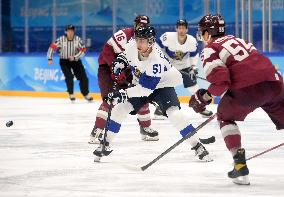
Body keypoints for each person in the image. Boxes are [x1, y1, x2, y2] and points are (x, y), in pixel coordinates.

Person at [93, 25, 213, 162]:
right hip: (142, 83)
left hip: (162, 85)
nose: (138, 43)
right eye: (137, 39)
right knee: (120, 109)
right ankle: (105, 143)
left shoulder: (156, 61)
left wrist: (122, 94)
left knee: (174, 114)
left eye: (142, 40)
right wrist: (120, 61)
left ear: (150, 42)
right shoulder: (132, 44)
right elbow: (126, 55)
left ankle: (197, 145)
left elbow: (145, 90)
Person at [189, 14, 284, 185]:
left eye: (202, 32)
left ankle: (239, 164)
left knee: (225, 116)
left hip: (249, 89)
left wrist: (203, 98)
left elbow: (221, 82)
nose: (202, 35)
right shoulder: (239, 39)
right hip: (275, 83)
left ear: (208, 33)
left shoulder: (210, 49)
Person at [88, 15, 159, 144]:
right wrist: (114, 69)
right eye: (139, 24)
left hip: (128, 71)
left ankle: (145, 128)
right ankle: (97, 130)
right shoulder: (124, 35)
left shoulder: (147, 40)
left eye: (144, 25)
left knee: (141, 95)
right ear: (135, 24)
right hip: (108, 68)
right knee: (110, 99)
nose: (141, 27)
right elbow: (107, 52)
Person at [154, 19, 213, 119]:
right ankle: (160, 109)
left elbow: (194, 56)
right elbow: (156, 46)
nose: (181, 30)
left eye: (183, 28)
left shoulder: (192, 41)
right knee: (164, 87)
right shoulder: (168, 37)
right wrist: (161, 60)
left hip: (184, 67)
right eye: (179, 28)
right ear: (176, 29)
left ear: (186, 29)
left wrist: (193, 67)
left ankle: (201, 107)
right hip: (168, 67)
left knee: (193, 87)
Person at [47, 25, 93, 103]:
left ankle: (86, 94)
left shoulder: (78, 39)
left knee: (84, 77)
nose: (70, 32)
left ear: (74, 31)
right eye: (68, 30)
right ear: (66, 31)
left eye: (72, 30)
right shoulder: (61, 40)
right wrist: (50, 58)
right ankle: (71, 94)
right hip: (64, 61)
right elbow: (52, 47)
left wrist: (75, 57)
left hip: (75, 61)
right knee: (69, 76)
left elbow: (83, 50)